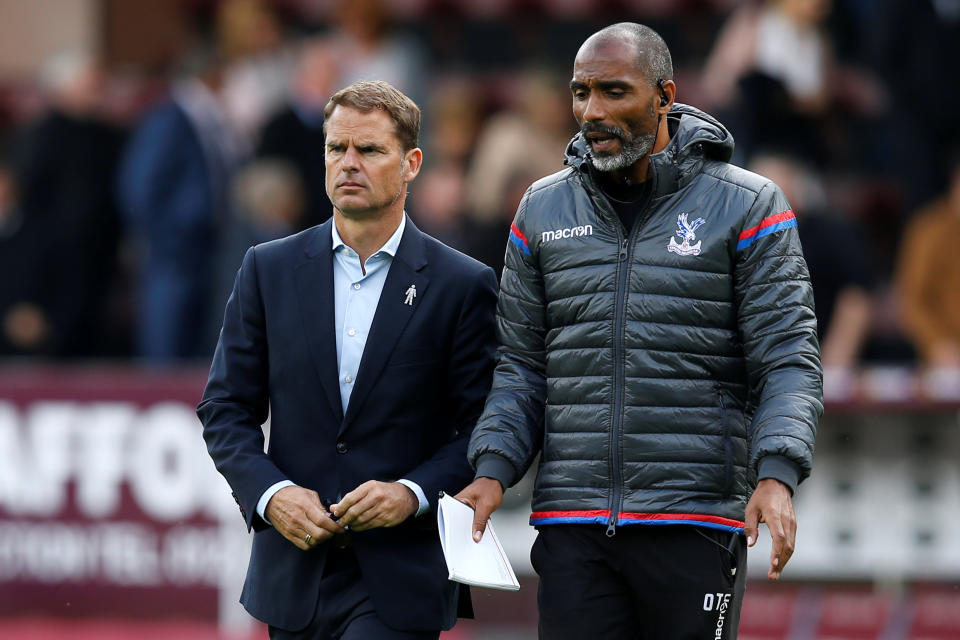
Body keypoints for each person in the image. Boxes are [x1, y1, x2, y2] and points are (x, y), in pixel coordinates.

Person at [457, 23, 823, 639]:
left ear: (664, 95)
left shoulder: (749, 207)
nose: (592, 111)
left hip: (696, 520)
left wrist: (776, 474)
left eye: (613, 91)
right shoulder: (540, 211)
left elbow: (787, 358)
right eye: (580, 93)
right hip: (573, 526)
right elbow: (521, 366)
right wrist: (492, 469)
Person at [198, 80, 498, 639]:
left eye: (370, 150)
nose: (349, 163)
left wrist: (411, 493)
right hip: (295, 570)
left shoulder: (463, 284)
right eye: (337, 148)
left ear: (411, 164)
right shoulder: (267, 269)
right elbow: (224, 408)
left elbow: (483, 426)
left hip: (402, 574)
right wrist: (271, 495)